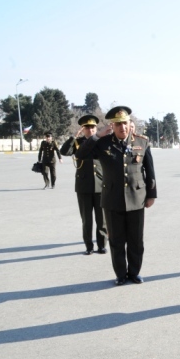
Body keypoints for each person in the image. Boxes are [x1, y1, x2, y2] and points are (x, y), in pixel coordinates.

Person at [75, 106, 157, 285]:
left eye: (125, 123)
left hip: (136, 199)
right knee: (116, 241)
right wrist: (97, 136)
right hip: (112, 199)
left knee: (136, 241)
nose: (122, 127)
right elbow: (80, 154)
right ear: (112, 125)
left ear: (130, 124)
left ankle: (134, 272)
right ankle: (120, 274)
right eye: (118, 124)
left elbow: (149, 171)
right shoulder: (103, 143)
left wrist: (151, 195)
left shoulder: (142, 142)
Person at [60, 115, 107, 255]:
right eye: (87, 128)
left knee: (102, 219)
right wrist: (72, 137)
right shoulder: (78, 142)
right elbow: (64, 152)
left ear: (96, 128)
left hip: (100, 184)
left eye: (92, 127)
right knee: (86, 219)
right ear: (83, 129)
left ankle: (102, 245)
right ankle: (89, 246)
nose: (90, 130)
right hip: (83, 186)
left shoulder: (101, 142)